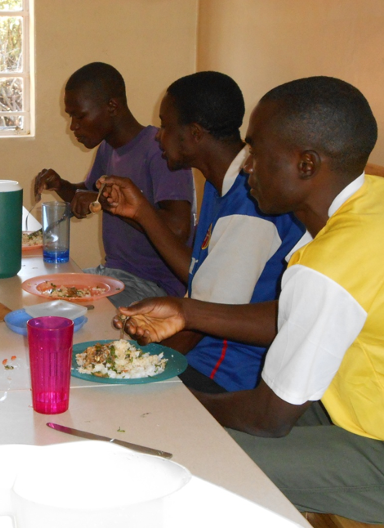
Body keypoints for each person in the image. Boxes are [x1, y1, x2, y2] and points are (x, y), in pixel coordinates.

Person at [114, 76, 384, 522]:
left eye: (257, 153)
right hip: (355, 411)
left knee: (190, 459)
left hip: (372, 441)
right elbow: (302, 316)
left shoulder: (329, 263)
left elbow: (268, 418)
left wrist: (182, 407)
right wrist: (186, 310)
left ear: (306, 164)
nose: (248, 167)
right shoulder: (368, 201)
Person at [98, 72, 305, 392]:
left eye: (165, 126)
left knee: (106, 387)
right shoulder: (219, 184)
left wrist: (136, 365)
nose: (158, 136)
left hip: (226, 375)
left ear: (194, 134)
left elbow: (203, 320)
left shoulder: (250, 205)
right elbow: (200, 276)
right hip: (202, 356)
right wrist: (141, 212)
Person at [34, 62, 195, 307]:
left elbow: (178, 229)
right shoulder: (108, 149)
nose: (73, 126)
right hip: (113, 274)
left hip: (154, 285)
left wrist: (108, 204)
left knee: (65, 311)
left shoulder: (160, 151)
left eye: (80, 116)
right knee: (43, 292)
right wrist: (61, 185)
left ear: (112, 107)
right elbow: (88, 198)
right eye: (70, 117)